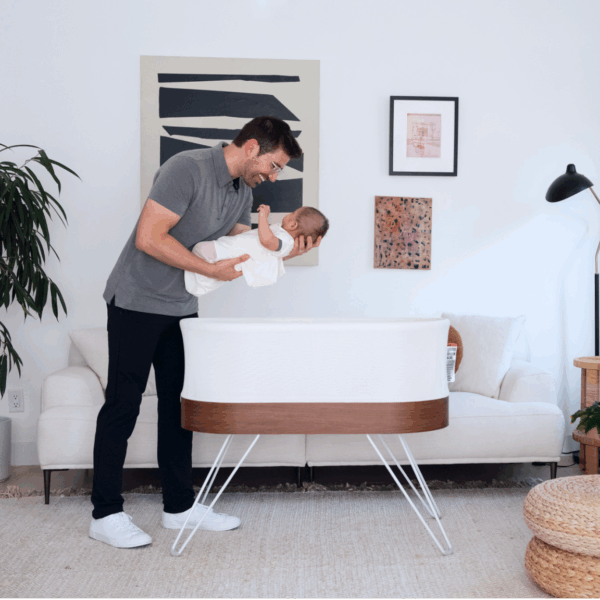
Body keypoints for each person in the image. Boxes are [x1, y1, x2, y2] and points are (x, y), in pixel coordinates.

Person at [90, 116, 322, 549]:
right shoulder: (186, 168)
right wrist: (208, 270)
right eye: (273, 165)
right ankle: (105, 513)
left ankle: (179, 507)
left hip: (182, 307)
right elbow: (148, 237)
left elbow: (241, 240)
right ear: (251, 148)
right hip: (136, 301)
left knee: (180, 409)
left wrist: (283, 249)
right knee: (123, 405)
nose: (274, 177)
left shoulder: (241, 191)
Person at [185, 204, 329, 295]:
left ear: (293, 225)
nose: (289, 214)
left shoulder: (286, 242)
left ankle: (196, 282)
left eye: (292, 213)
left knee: (202, 252)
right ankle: (196, 280)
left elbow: (266, 240)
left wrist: (263, 216)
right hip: (233, 248)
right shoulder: (282, 237)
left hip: (232, 252)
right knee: (203, 256)